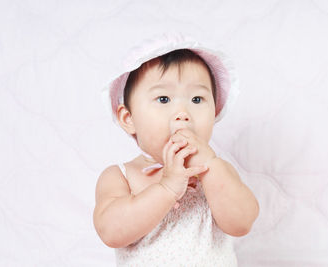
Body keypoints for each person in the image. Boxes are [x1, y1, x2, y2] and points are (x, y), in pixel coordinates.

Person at [93, 33, 259, 266]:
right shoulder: (120, 176)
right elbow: (110, 231)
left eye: (197, 99)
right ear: (128, 118)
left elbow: (242, 222)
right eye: (163, 99)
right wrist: (167, 188)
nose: (183, 113)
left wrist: (210, 165)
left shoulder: (215, 171)